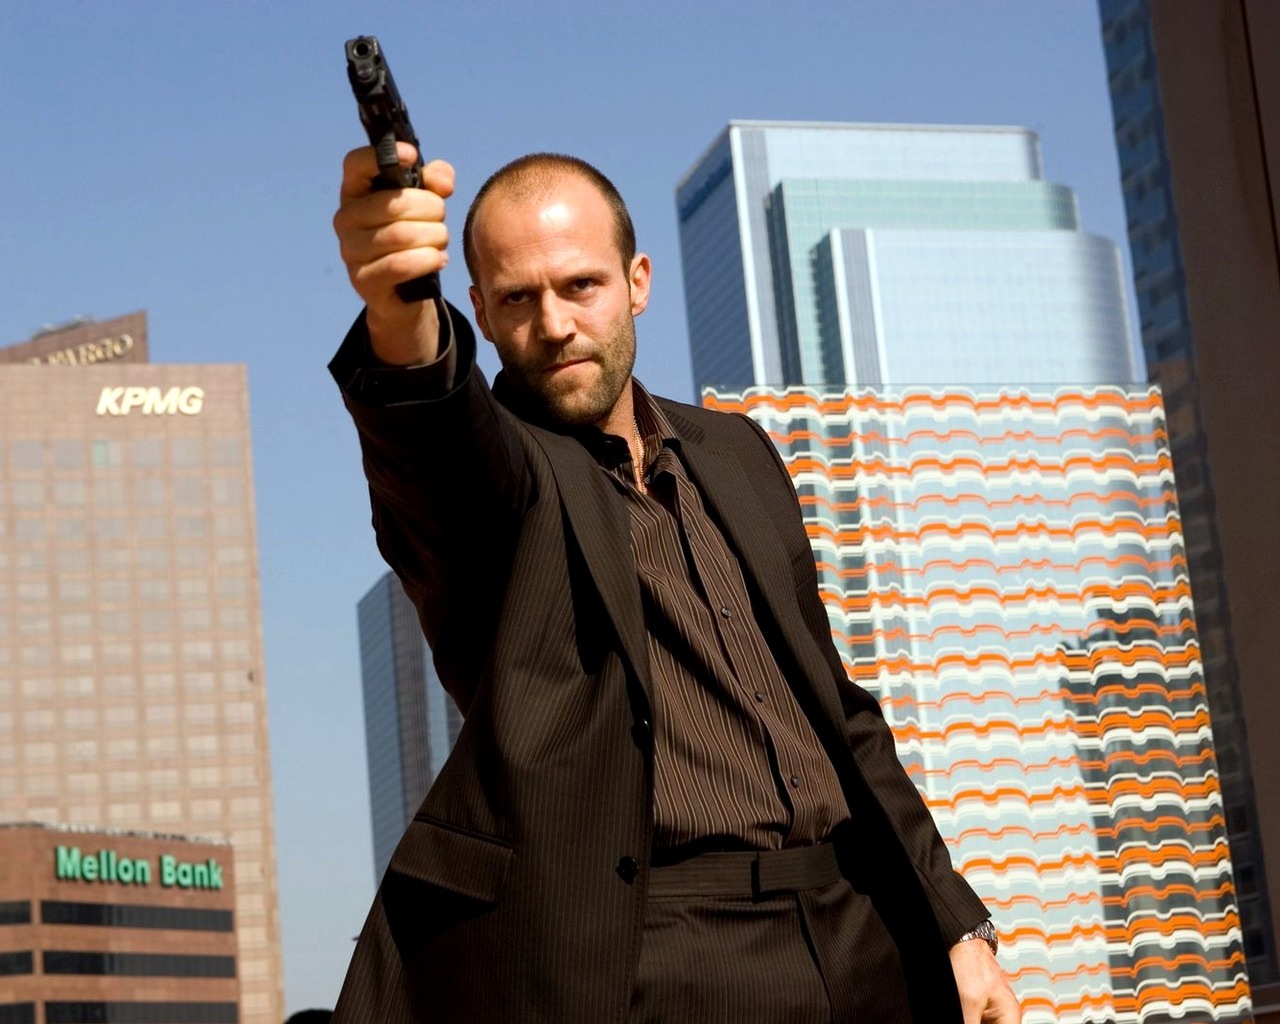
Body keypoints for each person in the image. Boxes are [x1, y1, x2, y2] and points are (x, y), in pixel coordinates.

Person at [328, 140, 1022, 1023]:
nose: (554, 323)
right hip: (668, 953)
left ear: (637, 282)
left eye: (581, 285)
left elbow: (839, 713)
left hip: (861, 931)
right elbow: (436, 444)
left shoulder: (737, 453)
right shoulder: (501, 484)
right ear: (482, 313)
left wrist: (957, 926)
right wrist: (400, 311)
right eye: (518, 299)